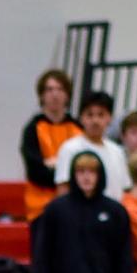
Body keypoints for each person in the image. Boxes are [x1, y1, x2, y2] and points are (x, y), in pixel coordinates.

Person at [19, 68, 82, 224]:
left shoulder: (78, 128)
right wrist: (66, 171)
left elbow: (86, 165)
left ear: (67, 95)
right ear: (42, 95)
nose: (55, 94)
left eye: (60, 89)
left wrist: (55, 164)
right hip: (41, 207)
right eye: (49, 89)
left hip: (75, 204)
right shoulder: (33, 129)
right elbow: (35, 171)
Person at [54, 92, 131, 203]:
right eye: (89, 115)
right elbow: (63, 189)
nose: (95, 121)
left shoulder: (117, 151)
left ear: (110, 118)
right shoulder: (70, 149)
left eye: (101, 115)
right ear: (81, 118)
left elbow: (125, 189)